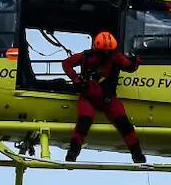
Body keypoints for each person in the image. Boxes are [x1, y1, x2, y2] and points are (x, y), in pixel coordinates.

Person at [61, 31, 145, 163]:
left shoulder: (115, 57)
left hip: (108, 99)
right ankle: (72, 153)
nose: (106, 53)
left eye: (108, 51)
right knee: (83, 124)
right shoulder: (87, 56)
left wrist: (135, 63)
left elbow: (128, 66)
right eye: (103, 51)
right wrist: (76, 79)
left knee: (125, 125)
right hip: (89, 98)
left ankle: (137, 155)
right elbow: (66, 63)